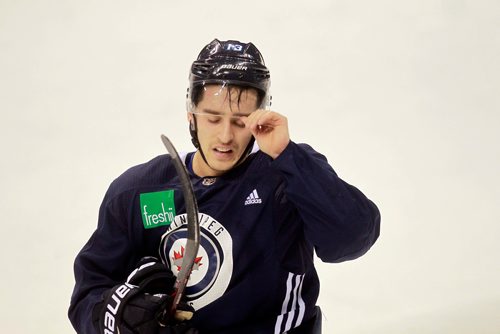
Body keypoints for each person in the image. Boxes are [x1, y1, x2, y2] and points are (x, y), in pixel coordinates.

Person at [68, 39, 381, 334]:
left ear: (261, 116)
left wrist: (287, 154)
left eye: (241, 120)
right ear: (191, 116)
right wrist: (119, 317)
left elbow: (350, 239)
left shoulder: (283, 177)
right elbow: (89, 292)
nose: (226, 137)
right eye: (213, 119)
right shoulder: (139, 191)